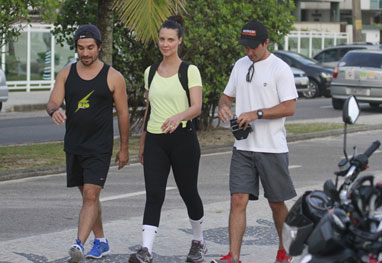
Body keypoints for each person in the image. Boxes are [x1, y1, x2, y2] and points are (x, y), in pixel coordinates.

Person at [211, 20, 298, 263]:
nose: (249, 52)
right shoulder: (240, 65)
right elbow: (226, 96)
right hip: (243, 147)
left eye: (254, 48)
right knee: (238, 199)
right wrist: (223, 107)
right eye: (245, 47)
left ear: (266, 43)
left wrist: (256, 114)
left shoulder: (280, 68)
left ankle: (285, 249)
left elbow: (289, 107)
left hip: (272, 148)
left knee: (276, 203)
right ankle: (234, 256)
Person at [46, 24, 130, 263]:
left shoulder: (113, 77)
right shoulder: (66, 73)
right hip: (74, 145)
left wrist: (124, 148)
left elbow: (123, 114)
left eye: (90, 48)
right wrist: (54, 111)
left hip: (99, 147)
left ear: (99, 47)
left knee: (91, 195)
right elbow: (52, 101)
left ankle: (78, 243)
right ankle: (101, 241)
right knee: (88, 197)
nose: (85, 53)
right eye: (81, 48)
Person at [128, 15, 206, 263]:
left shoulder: (189, 71)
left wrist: (177, 117)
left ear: (179, 41)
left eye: (170, 40)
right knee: (154, 194)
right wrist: (142, 143)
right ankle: (146, 249)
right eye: (162, 39)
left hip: (183, 139)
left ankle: (198, 241)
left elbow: (197, 107)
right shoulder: (150, 72)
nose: (165, 44)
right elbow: (149, 108)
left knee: (188, 192)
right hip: (155, 142)